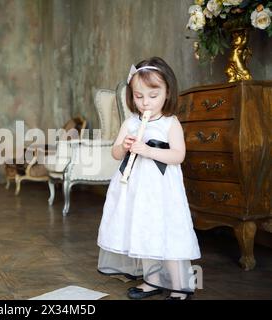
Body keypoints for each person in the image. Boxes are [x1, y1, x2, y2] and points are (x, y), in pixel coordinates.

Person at [97, 57, 201, 300]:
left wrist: (147, 150)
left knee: (167, 231)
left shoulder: (169, 122)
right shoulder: (131, 122)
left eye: (153, 96)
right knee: (143, 229)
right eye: (138, 96)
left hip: (162, 190)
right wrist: (124, 145)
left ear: (167, 93)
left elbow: (178, 155)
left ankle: (179, 286)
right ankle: (151, 281)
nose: (145, 103)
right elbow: (114, 152)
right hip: (134, 188)